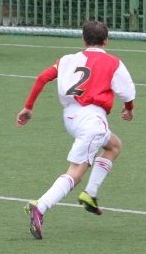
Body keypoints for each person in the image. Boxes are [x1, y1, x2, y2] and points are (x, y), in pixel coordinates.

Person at [16, 20, 135, 239]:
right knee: (76, 173)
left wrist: (28, 107)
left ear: (83, 40)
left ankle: (90, 193)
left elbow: (42, 78)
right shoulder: (113, 62)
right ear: (106, 41)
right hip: (92, 120)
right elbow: (127, 93)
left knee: (114, 146)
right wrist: (129, 109)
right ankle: (41, 205)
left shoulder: (67, 60)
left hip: (71, 117)